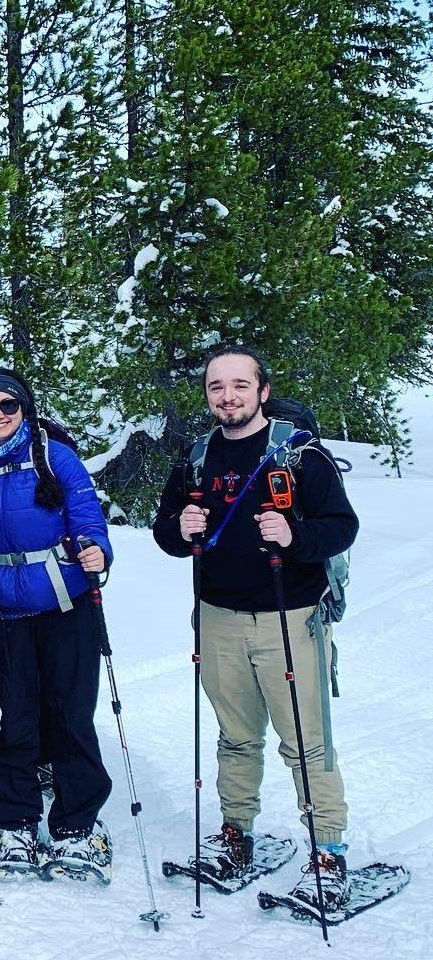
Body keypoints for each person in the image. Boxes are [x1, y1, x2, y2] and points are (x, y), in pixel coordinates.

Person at [152, 345, 358, 911]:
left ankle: (329, 853)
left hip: (290, 617)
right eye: (218, 387)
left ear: (262, 391)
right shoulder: (196, 459)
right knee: (236, 736)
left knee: (307, 743)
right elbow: (166, 531)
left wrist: (296, 539)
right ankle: (236, 836)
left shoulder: (298, 455)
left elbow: (342, 527)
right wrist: (179, 528)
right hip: (217, 617)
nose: (229, 396)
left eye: (240, 385)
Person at [0, 369, 114, 881]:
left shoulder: (53, 454)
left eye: (8, 405)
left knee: (69, 712)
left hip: (65, 601)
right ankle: (14, 819)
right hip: (2, 607)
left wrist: (95, 550)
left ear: (25, 407)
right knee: (16, 714)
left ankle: (77, 823)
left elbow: (85, 511)